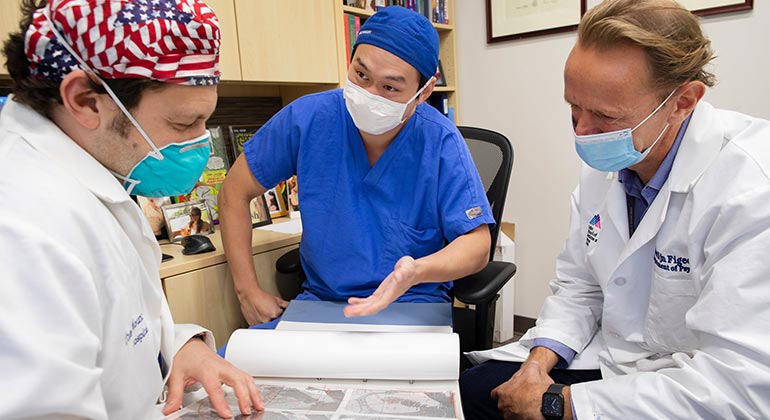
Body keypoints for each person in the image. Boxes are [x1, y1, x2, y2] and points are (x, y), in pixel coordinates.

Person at [459, 1, 770, 419]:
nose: (583, 133)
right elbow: (579, 287)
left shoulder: (750, 188)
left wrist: (558, 404)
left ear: (684, 100)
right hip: (608, 359)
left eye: (605, 116)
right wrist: (536, 365)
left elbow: (740, 387)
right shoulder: (606, 168)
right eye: (573, 109)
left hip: (686, 388)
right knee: (465, 393)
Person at [0, 1, 263, 418]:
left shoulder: (91, 171)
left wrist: (178, 347)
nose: (200, 143)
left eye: (205, 122)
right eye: (182, 125)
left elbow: (111, 331)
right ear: (85, 100)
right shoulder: (20, 226)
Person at [218, 6, 493, 327]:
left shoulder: (440, 141)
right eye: (360, 75)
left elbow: (478, 245)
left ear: (425, 91)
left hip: (412, 303)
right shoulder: (308, 119)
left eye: (390, 87)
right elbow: (233, 193)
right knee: (244, 372)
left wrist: (416, 271)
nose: (368, 95)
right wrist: (247, 291)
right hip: (322, 303)